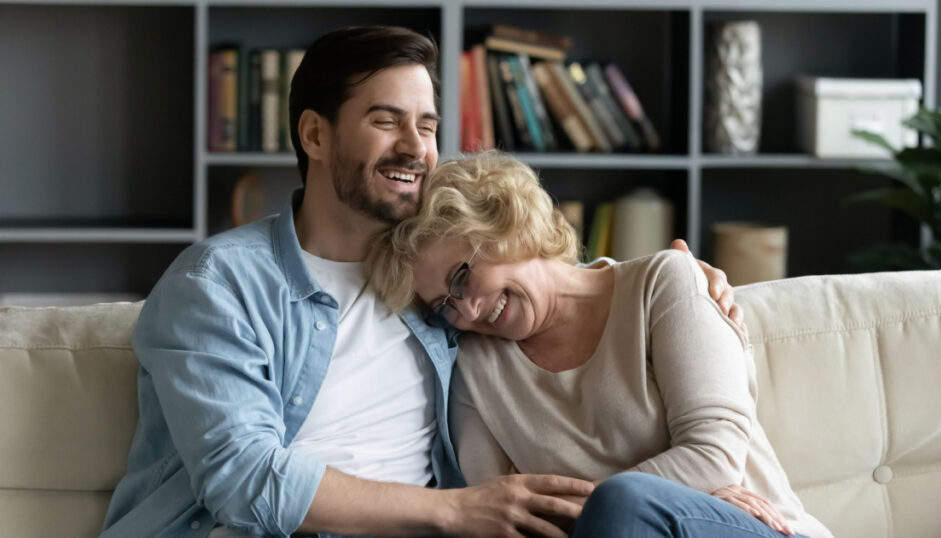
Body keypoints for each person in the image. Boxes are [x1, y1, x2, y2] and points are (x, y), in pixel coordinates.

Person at [100, 26, 742, 538]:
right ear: (315, 134)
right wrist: (457, 512)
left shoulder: (441, 291)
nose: (416, 147)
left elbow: (538, 285)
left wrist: (687, 279)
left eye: (428, 125)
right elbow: (244, 481)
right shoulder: (218, 284)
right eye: (386, 121)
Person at [368, 151, 834, 538]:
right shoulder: (475, 366)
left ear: (503, 221)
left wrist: (645, 506)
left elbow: (715, 457)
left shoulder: (661, 284)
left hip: (752, 524)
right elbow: (502, 518)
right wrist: (670, 491)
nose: (465, 312)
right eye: (444, 305)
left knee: (626, 501)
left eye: (461, 278)